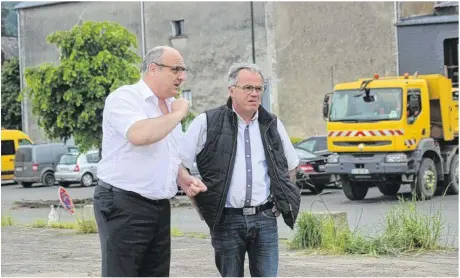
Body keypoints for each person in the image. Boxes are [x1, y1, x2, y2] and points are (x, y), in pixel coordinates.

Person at [93, 46, 207, 277]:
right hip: (124, 202)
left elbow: (167, 153)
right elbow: (139, 135)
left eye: (184, 70)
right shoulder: (125, 97)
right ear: (153, 69)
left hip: (159, 206)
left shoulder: (168, 106)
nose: (181, 76)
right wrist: (178, 114)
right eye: (175, 69)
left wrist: (182, 176)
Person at [180, 62, 301, 277]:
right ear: (231, 90)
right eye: (248, 88)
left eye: (259, 89)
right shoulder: (207, 122)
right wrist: (199, 206)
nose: (254, 94)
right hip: (226, 220)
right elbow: (181, 165)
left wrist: (282, 200)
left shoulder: (272, 124)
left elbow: (291, 167)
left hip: (265, 218)